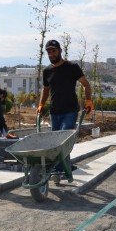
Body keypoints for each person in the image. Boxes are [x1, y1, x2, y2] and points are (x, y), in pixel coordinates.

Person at [37, 39, 93, 173]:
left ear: (60, 51)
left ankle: (59, 168)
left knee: (62, 138)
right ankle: (66, 165)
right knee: (57, 142)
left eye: (54, 51)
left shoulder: (72, 67)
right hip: (54, 111)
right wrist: (41, 104)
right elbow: (45, 89)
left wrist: (89, 100)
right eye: (49, 52)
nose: (51, 54)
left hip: (70, 110)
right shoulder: (47, 71)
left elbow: (86, 84)